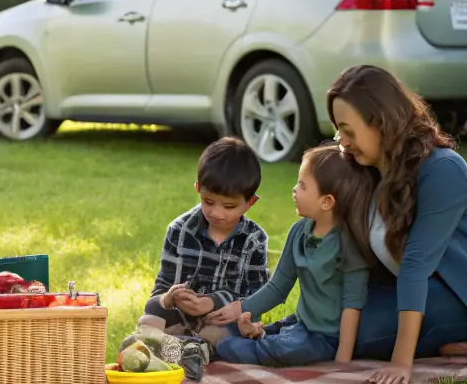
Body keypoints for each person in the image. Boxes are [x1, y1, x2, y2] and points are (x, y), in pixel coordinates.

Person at [328, 64, 467, 384]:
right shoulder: (370, 168)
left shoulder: (444, 170)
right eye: (338, 130)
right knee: (331, 311)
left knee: (354, 334)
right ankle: (241, 335)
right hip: (417, 288)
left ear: (380, 123)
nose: (342, 141)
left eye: (348, 130)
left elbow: (416, 264)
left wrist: (402, 362)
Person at [201, 144, 375, 366]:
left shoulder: (348, 243)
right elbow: (278, 287)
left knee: (286, 349)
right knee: (280, 335)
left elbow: (353, 304)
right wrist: (241, 309)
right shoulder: (299, 231)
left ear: (326, 201)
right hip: (302, 324)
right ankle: (255, 336)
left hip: (327, 338)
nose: (294, 189)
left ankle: (227, 346)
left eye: (302, 185)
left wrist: (343, 358)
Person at [141, 136, 269, 334]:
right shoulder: (179, 231)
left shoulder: (254, 240)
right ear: (198, 189)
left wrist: (213, 302)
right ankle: (184, 348)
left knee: (215, 336)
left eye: (229, 206)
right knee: (148, 321)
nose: (216, 213)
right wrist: (170, 298)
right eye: (208, 202)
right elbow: (158, 295)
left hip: (223, 325)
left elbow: (258, 298)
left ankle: (189, 350)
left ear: (250, 202)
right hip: (180, 321)